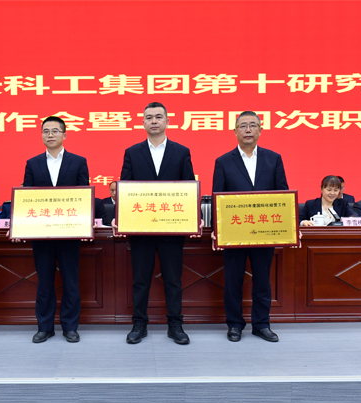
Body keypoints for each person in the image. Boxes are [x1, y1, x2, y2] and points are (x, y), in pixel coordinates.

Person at [120, 101, 195, 345]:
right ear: (143, 123)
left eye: (158, 117)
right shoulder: (132, 152)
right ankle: (139, 324)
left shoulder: (181, 152)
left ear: (167, 121)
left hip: (171, 228)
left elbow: (188, 188)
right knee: (140, 280)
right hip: (141, 228)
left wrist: (193, 217)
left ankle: (175, 325)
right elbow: (125, 188)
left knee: (173, 279)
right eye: (149, 117)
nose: (154, 121)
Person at [212, 111, 289, 344]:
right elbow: (218, 197)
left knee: (262, 280)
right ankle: (234, 325)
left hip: (264, 230)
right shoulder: (223, 161)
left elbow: (283, 194)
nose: (248, 129)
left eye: (253, 125)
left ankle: (261, 324)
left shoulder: (273, 158)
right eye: (243, 125)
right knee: (233, 281)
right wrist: (217, 230)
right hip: (234, 232)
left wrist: (289, 226)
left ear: (260, 130)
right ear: (235, 131)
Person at [22, 116, 90, 343]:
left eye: (54, 131)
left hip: (69, 232)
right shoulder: (32, 163)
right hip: (41, 234)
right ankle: (45, 327)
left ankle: (70, 326)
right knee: (44, 282)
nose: (50, 135)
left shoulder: (78, 162)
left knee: (70, 281)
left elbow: (83, 196)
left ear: (64, 135)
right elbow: (27, 197)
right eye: (45, 131)